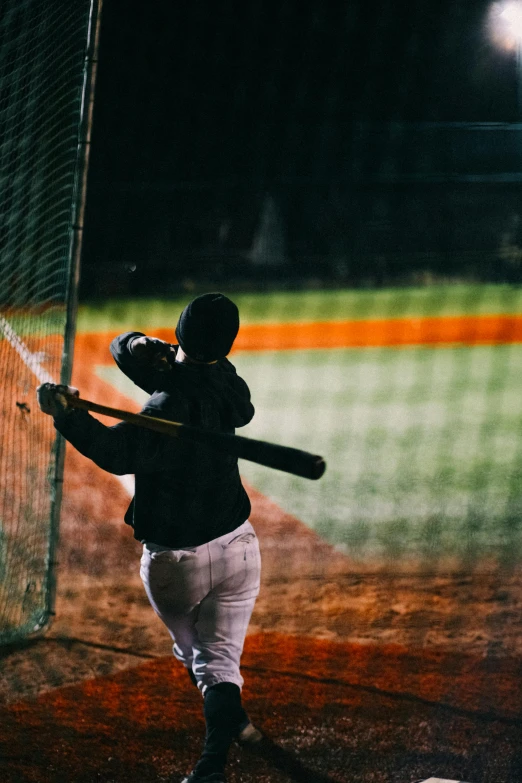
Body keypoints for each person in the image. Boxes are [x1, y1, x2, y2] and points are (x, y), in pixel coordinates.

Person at [37, 293, 263, 783]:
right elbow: (133, 353)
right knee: (218, 662)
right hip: (240, 548)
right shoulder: (230, 386)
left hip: (175, 564)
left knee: (199, 661)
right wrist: (141, 345)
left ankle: (210, 769)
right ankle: (234, 721)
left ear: (180, 334)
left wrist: (67, 414)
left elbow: (116, 453)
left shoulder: (165, 402)